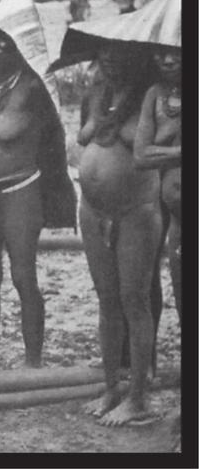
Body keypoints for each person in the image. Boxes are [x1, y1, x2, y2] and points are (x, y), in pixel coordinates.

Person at [0, 0, 77, 370]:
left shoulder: (31, 88)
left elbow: (53, 139)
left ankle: (33, 362)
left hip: (19, 191)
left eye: (2, 38)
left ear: (18, 42)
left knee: (23, 275)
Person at [78, 44, 163, 426]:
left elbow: (146, 148)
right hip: (94, 209)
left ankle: (138, 398)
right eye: (105, 54)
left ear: (137, 58)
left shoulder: (150, 95)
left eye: (119, 55)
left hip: (135, 211)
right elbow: (84, 138)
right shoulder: (96, 93)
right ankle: (112, 386)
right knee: (107, 299)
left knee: (135, 300)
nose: (109, 60)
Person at [133, 49, 181, 325]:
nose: (168, 60)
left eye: (176, 52)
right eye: (160, 53)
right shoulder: (155, 94)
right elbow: (141, 155)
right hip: (168, 206)